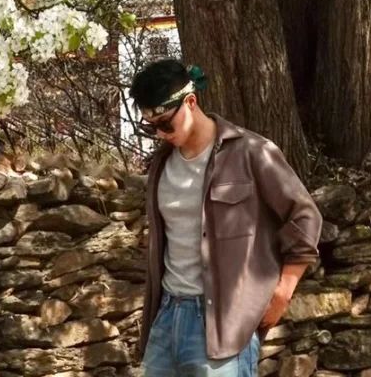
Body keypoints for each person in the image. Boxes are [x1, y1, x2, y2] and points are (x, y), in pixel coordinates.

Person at [130, 58, 323, 377]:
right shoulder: (162, 164)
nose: (161, 134)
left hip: (223, 324)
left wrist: (284, 290)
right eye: (151, 127)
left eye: (165, 123)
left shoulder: (251, 152)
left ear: (190, 102)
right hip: (166, 317)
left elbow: (304, 215)